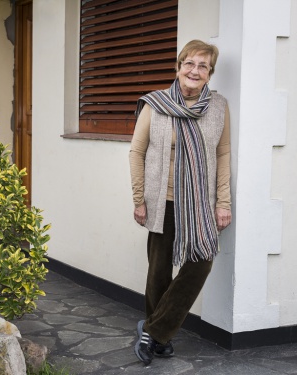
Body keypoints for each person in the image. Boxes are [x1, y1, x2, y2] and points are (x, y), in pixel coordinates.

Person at [129, 39, 232, 366]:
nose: (195, 70)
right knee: (159, 269)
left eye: (203, 66)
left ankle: (153, 330)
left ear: (209, 74)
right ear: (179, 67)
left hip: (200, 203)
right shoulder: (155, 104)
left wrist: (223, 201)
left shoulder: (218, 106)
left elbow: (223, 153)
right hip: (162, 201)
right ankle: (159, 337)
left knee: (201, 262)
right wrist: (139, 198)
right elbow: (137, 152)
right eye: (189, 63)